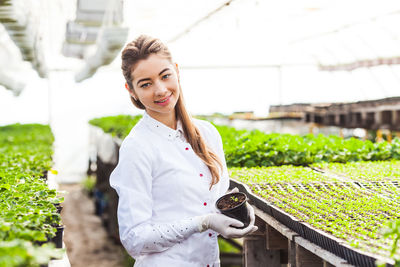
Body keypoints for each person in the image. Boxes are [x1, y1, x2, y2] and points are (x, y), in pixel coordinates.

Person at [109, 35, 258, 267]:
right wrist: (203, 222)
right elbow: (135, 239)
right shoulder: (137, 147)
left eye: (165, 76)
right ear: (131, 91)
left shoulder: (207, 134)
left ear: (177, 71)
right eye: (145, 84)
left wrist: (237, 210)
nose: (160, 90)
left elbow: (214, 198)